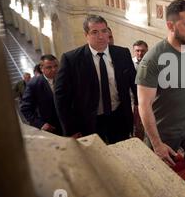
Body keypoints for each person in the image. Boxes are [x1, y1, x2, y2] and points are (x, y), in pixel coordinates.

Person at [137, 0, 185, 197]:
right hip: (163, 131)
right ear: (171, 26)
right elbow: (144, 105)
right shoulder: (153, 59)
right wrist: (156, 144)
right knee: (154, 183)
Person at [54, 15, 137, 144]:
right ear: (86, 35)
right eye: (95, 32)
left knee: (122, 156)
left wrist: (138, 111)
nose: (101, 36)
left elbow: (135, 84)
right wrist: (70, 129)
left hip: (119, 117)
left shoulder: (122, 53)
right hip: (88, 122)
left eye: (104, 31)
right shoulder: (71, 59)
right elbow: (61, 97)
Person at [20, 55, 62, 135]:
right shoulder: (34, 84)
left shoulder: (63, 79)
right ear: (42, 68)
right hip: (50, 128)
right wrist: (40, 124)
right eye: (49, 67)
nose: (54, 69)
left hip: (68, 126)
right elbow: (25, 108)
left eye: (56, 66)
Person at [132, 40, 148, 139]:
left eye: (142, 51)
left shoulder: (151, 63)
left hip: (148, 98)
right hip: (134, 99)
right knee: (137, 125)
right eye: (137, 51)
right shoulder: (129, 62)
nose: (140, 53)